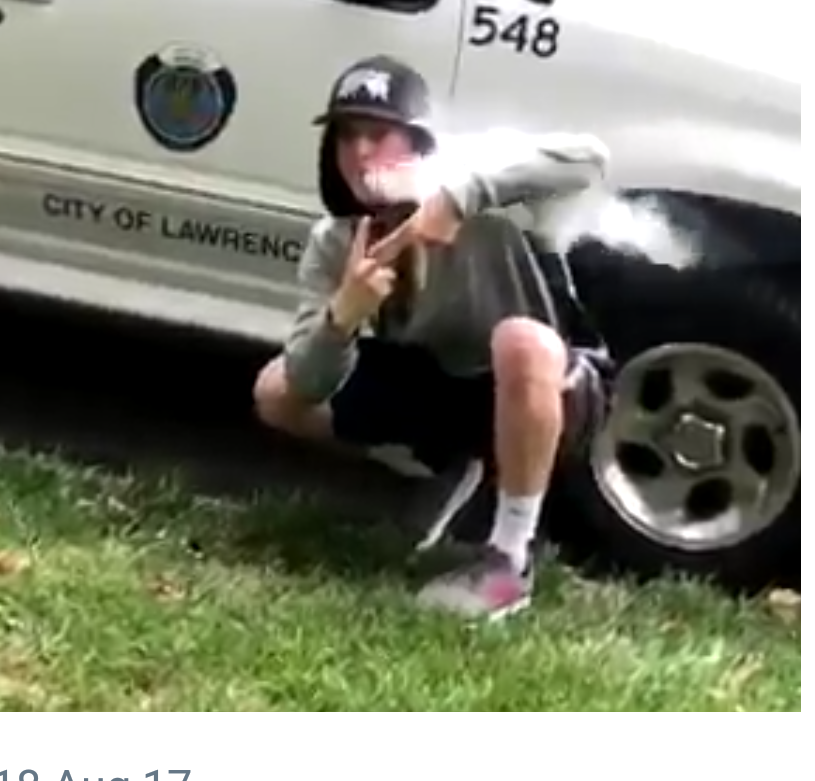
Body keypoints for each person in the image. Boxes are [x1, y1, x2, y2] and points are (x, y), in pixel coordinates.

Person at [252, 55, 613, 621]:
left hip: (555, 389)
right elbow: (304, 384)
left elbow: (591, 160)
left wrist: (454, 199)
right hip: (444, 387)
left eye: (378, 134)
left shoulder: (487, 194)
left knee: (521, 340)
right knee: (274, 388)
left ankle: (508, 561)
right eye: (346, 136)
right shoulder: (338, 239)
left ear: (418, 142)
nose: (361, 153)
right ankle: (437, 471)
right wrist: (343, 314)